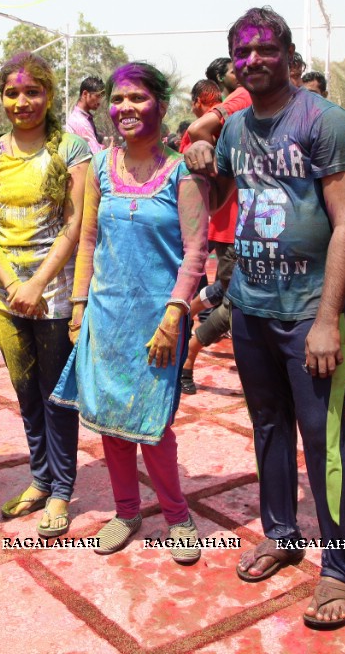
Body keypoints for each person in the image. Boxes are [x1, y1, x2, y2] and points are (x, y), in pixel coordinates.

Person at [185, 7, 345, 630]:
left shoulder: (325, 121)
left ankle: (340, 566)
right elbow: (208, 172)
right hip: (253, 309)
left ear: (287, 53)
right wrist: (203, 142)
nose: (254, 60)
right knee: (268, 429)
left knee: (324, 439)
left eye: (265, 49)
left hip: (307, 315)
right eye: (242, 51)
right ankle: (282, 533)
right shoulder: (237, 129)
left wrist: (328, 319)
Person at [52, 62, 210, 563]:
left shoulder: (183, 169)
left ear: (161, 106)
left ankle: (178, 516)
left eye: (137, 98)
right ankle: (125, 511)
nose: (125, 108)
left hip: (159, 324)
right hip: (105, 318)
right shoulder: (100, 167)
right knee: (109, 420)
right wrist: (79, 309)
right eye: (118, 98)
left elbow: (195, 249)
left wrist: (173, 317)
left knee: (155, 424)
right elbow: (88, 240)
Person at [0, 52, 90, 538]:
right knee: (25, 393)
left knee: (57, 396)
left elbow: (76, 223)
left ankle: (62, 490)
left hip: (54, 295)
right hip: (3, 297)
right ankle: (41, 478)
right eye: (13, 93)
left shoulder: (71, 150)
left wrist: (37, 283)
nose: (22, 102)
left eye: (32, 92)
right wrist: (13, 284)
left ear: (49, 95)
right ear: (2, 98)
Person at [178, 78, 235, 396]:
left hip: (237, 225)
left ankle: (186, 312)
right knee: (233, 302)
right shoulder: (232, 110)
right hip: (226, 224)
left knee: (225, 290)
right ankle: (189, 353)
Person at [65, 75, 105, 153]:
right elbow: (96, 153)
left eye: (101, 97)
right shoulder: (80, 121)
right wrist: (110, 150)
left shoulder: (84, 117)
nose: (99, 101)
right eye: (97, 96)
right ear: (85, 94)